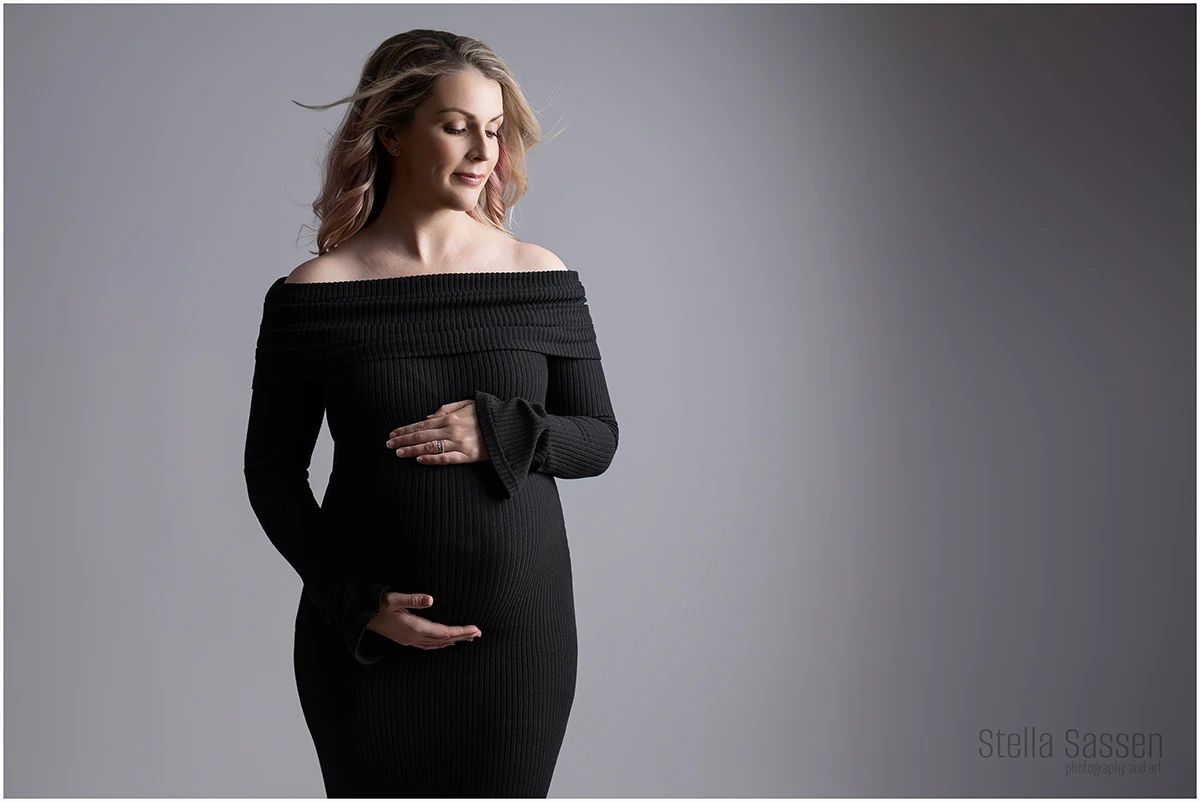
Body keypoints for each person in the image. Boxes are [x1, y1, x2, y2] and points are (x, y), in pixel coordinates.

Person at [242, 29, 619, 798]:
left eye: (494, 128)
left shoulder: (538, 277)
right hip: (367, 645)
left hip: (516, 646)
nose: (485, 149)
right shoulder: (314, 294)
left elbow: (597, 439)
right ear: (391, 133)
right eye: (457, 125)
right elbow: (272, 473)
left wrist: (505, 429)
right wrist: (357, 603)